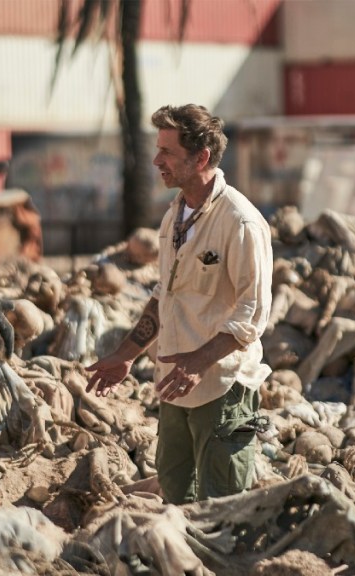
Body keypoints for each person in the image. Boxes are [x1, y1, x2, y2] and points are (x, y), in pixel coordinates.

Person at [85, 104, 273, 503]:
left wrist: (198, 362)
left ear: (200, 158)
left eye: (167, 152)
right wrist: (126, 355)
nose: (157, 161)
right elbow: (164, 295)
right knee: (175, 497)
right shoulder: (174, 216)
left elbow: (252, 314)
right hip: (174, 387)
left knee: (220, 507)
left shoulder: (240, 222)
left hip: (221, 389)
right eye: (158, 150)